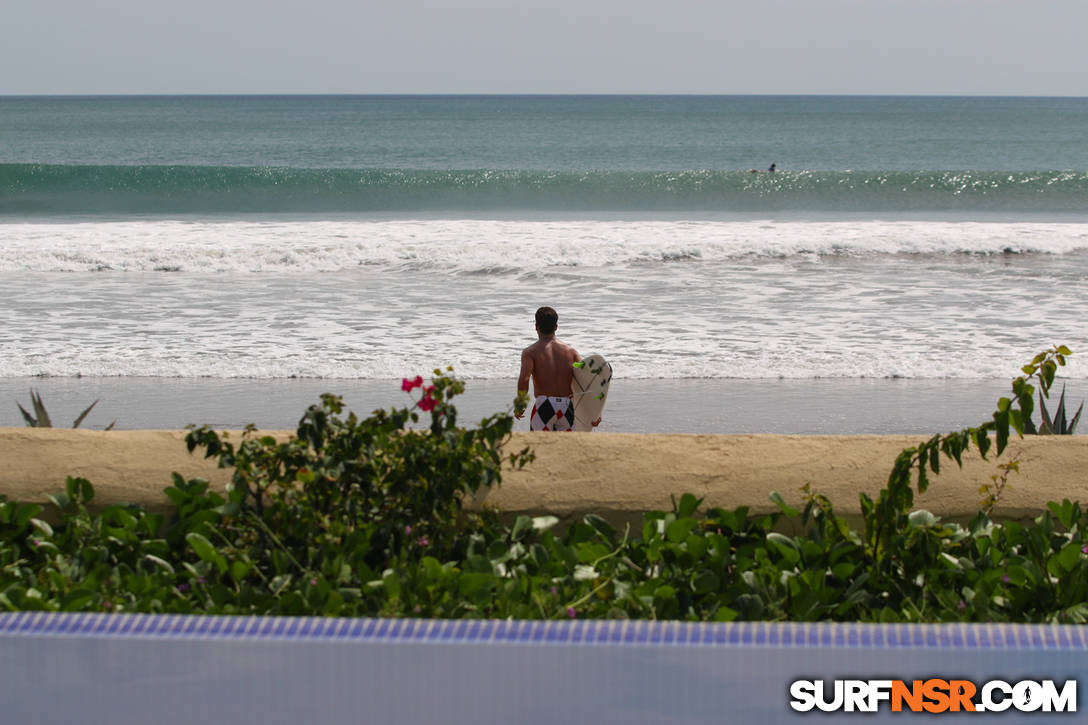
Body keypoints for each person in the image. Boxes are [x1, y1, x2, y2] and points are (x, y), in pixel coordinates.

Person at [516, 306, 594, 431]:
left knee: (539, 447)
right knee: (564, 448)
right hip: (567, 407)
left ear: (536, 327)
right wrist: (594, 412)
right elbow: (586, 381)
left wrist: (520, 404)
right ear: (556, 326)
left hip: (544, 406)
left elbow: (524, 379)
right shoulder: (571, 352)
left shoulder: (530, 352)